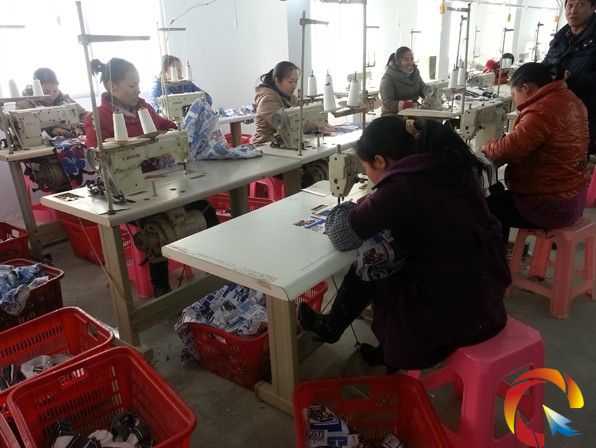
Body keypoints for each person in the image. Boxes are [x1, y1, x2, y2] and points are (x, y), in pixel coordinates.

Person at [299, 116, 510, 371]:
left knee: (371, 262)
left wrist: (348, 206)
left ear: (380, 161)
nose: (368, 176)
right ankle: (351, 335)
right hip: (488, 295)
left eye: (366, 169)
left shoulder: (402, 187)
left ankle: (369, 342)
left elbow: (342, 236)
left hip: (453, 314)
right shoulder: (448, 166)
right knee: (390, 253)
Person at [84, 57, 218, 297]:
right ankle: (161, 290)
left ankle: (218, 271)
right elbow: (99, 157)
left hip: (160, 185)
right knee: (157, 227)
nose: (138, 90)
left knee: (205, 208)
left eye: (138, 85)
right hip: (128, 194)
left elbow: (167, 127)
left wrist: (177, 132)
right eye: (132, 85)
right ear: (112, 86)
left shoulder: (144, 108)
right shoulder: (96, 118)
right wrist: (145, 155)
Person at [482, 63, 589, 242]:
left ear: (526, 88)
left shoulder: (541, 111)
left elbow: (507, 151)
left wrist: (488, 145)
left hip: (552, 206)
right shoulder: (569, 98)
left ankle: (495, 256)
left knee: (485, 208)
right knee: (497, 192)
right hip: (574, 196)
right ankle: (500, 252)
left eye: (514, 94)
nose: (514, 100)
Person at [543, 0, 596, 154]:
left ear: (593, 7)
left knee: (573, 161)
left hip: (584, 118)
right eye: (570, 5)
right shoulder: (560, 39)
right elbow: (546, 65)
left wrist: (572, 80)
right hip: (554, 113)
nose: (573, 10)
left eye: (580, 4)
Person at [17, 67, 87, 136]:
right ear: (35, 90)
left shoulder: (65, 100)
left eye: (55, 91)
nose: (51, 95)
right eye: (45, 92)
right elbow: (22, 129)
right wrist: (50, 131)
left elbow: (85, 115)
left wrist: (79, 127)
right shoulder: (23, 105)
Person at [253, 61, 300, 144]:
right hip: (266, 145)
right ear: (277, 80)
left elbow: (301, 118)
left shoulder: (292, 98)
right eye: (290, 81)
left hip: (284, 142)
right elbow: (286, 125)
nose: (294, 86)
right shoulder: (267, 99)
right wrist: (316, 125)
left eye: (296, 81)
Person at [379, 47, 426, 116]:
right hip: (393, 114)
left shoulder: (415, 74)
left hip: (413, 112)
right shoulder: (388, 78)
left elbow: (423, 89)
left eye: (412, 59)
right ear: (398, 61)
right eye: (406, 59)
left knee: (432, 120)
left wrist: (433, 94)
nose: (410, 62)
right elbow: (388, 103)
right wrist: (408, 105)